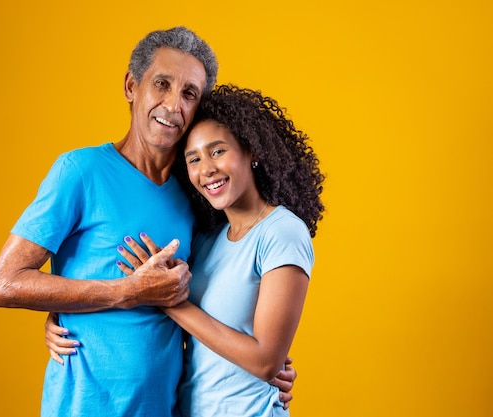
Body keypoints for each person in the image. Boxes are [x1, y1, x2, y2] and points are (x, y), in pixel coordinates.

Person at [0, 26, 296, 417]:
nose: (172, 105)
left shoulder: (199, 195)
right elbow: (2, 284)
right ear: (132, 86)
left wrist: (268, 364)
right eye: (161, 84)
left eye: (189, 94)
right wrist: (123, 292)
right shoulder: (80, 171)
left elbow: (219, 295)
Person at [46, 84, 324, 416]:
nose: (206, 169)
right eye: (193, 158)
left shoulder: (282, 232)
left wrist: (162, 297)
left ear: (252, 152)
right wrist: (62, 316)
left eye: (218, 151)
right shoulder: (206, 240)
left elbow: (265, 362)